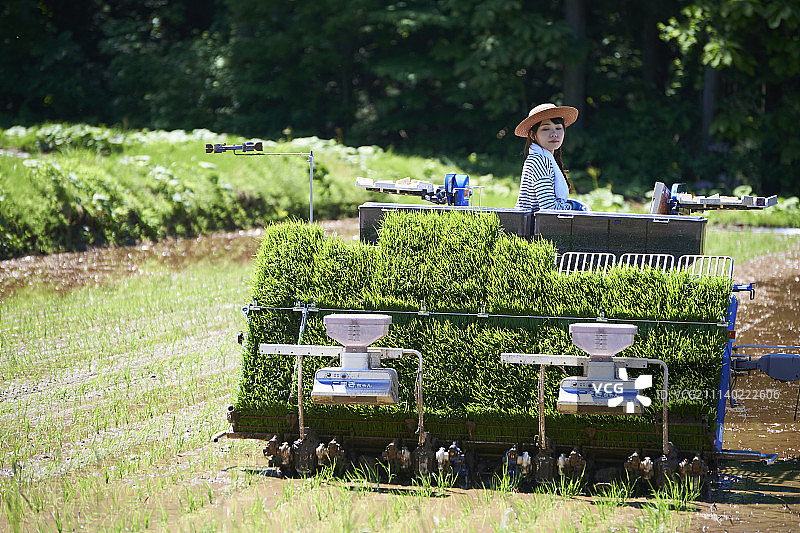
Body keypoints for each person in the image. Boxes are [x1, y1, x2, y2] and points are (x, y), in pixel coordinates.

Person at [513, 103, 588, 211]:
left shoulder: (545, 158)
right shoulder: (539, 160)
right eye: (546, 129)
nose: (554, 133)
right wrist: (575, 207)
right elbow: (549, 209)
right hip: (533, 226)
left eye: (558, 128)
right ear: (533, 135)